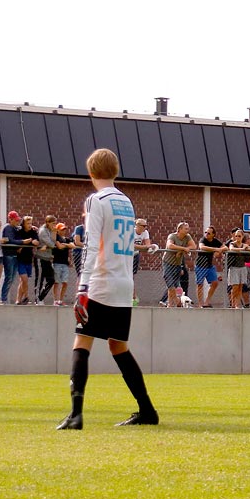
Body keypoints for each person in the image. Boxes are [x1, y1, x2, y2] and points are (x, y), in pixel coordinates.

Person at [59, 148, 158, 430]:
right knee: (118, 346)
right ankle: (147, 410)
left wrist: (82, 287)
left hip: (101, 281)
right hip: (124, 283)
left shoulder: (96, 200)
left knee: (82, 341)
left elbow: (91, 245)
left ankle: (75, 414)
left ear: (91, 173)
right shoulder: (126, 202)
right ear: (115, 171)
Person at [162, 222, 194, 308]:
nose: (188, 230)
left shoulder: (187, 237)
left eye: (188, 228)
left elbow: (193, 246)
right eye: (186, 228)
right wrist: (183, 249)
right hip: (168, 263)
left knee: (174, 285)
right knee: (170, 284)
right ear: (179, 229)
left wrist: (182, 251)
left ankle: (170, 304)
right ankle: (177, 302)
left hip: (177, 264)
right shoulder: (172, 236)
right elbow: (170, 246)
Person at [194, 226, 223, 307]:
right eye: (205, 232)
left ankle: (207, 301)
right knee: (200, 284)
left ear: (213, 235)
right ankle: (200, 304)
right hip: (200, 266)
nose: (206, 234)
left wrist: (220, 251)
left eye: (209, 233)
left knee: (215, 283)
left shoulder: (215, 241)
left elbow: (224, 247)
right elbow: (202, 247)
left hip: (209, 266)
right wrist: (215, 249)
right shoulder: (203, 239)